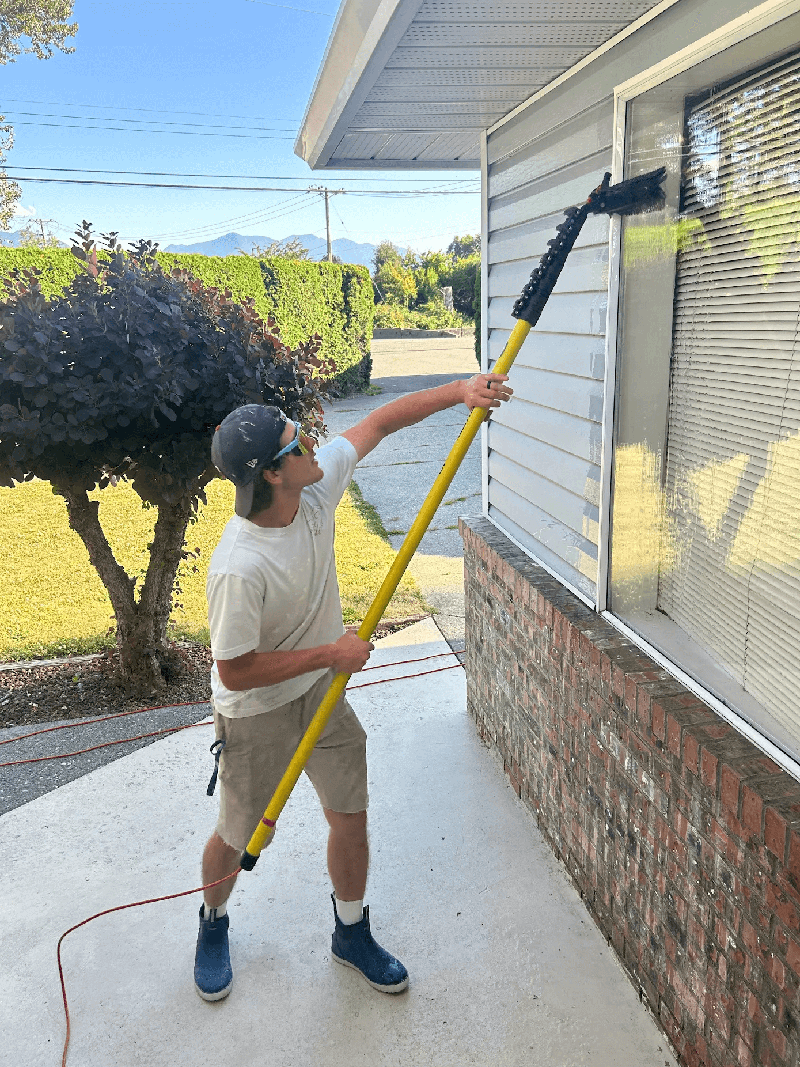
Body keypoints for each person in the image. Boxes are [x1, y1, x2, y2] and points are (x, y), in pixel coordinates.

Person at [194, 371, 513, 1002]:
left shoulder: (312, 493)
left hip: (322, 695)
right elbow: (236, 669)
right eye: (296, 445)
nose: (313, 444)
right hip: (256, 711)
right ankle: (212, 922)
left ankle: (350, 932)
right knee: (238, 832)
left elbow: (379, 422)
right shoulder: (239, 565)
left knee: (350, 815)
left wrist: (461, 392)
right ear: (271, 475)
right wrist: (332, 651)